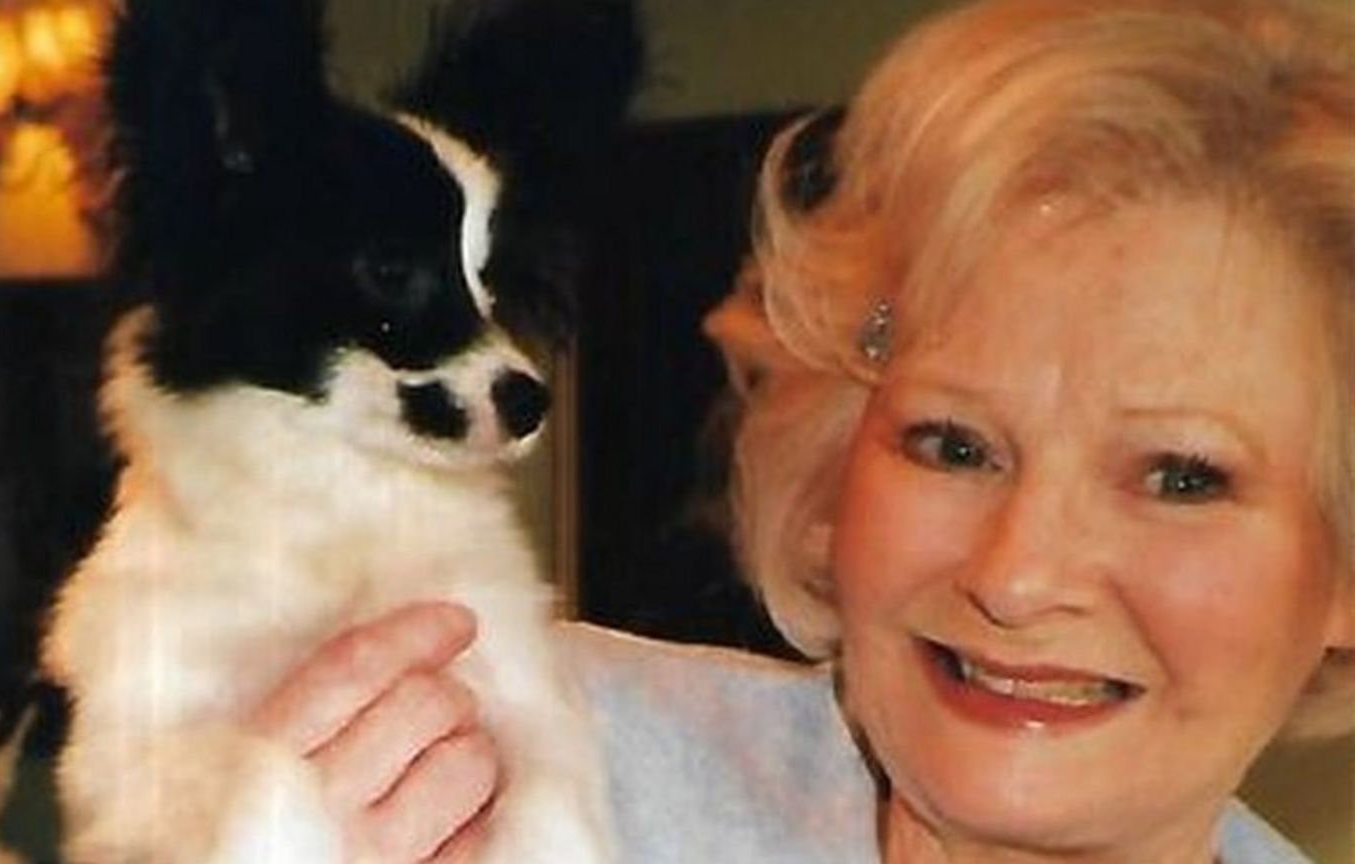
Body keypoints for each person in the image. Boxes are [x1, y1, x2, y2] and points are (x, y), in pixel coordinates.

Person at [245, 0, 1355, 860]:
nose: (1017, 577)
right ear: (836, 468)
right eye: (954, 446)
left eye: (1179, 477)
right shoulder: (492, 762)